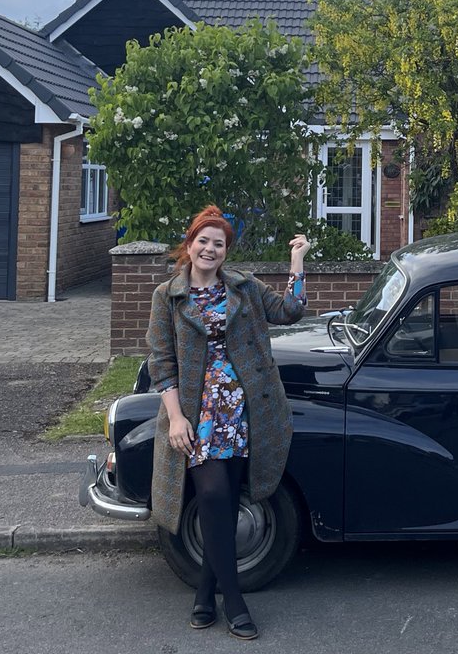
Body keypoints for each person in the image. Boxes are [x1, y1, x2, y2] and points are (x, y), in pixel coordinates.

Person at [146, 205, 309, 640]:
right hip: (196, 415)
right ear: (190, 243)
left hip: (242, 410)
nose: (210, 249)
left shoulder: (243, 287)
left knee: (226, 500)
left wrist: (297, 262)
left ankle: (204, 594)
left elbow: (290, 310)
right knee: (214, 494)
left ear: (225, 252)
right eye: (204, 240)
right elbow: (162, 363)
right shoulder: (168, 296)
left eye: (219, 243)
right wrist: (176, 417)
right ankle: (234, 601)